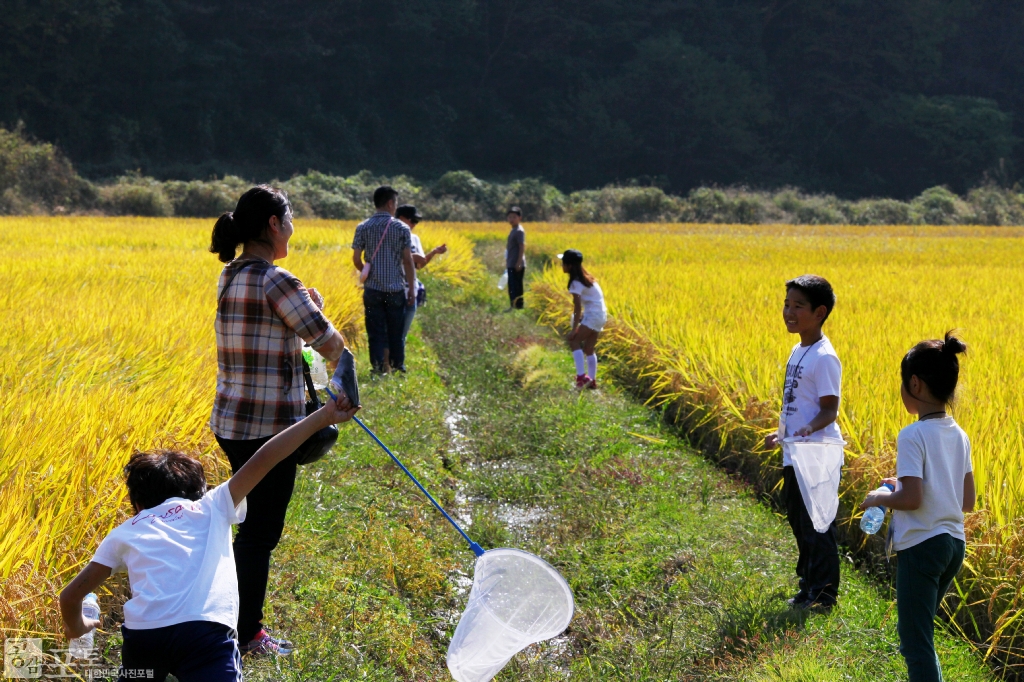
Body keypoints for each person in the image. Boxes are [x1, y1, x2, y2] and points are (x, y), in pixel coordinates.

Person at [58, 397, 358, 682]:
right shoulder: (211, 505)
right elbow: (266, 457)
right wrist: (322, 416)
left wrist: (77, 627)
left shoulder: (126, 529)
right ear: (200, 490)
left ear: (137, 505)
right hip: (204, 633)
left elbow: (70, 597)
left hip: (144, 636)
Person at [208, 185, 352, 656]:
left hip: (231, 422)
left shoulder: (230, 276)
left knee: (247, 525)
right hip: (270, 429)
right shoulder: (276, 279)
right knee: (259, 534)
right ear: (273, 224)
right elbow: (329, 345)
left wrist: (306, 307)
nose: (292, 229)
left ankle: (229, 620)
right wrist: (316, 314)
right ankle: (247, 634)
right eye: (289, 220)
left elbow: (276, 332)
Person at [859, 332, 974, 682]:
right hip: (953, 545)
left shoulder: (912, 434)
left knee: (915, 642)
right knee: (922, 635)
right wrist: (904, 485)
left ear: (914, 383)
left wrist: (879, 497)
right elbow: (966, 501)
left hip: (922, 547)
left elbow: (912, 499)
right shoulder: (959, 434)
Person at [764, 275, 842, 610]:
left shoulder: (824, 357)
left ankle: (824, 596)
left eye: (798, 306)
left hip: (818, 453)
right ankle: (808, 586)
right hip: (796, 451)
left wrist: (808, 429)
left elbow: (829, 409)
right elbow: (794, 400)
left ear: (820, 312)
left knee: (817, 523)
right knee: (799, 521)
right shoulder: (799, 349)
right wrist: (782, 432)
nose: (789, 312)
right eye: (787, 304)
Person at [352, 186, 416, 373]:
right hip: (395, 289)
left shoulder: (363, 227)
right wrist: (411, 289)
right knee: (396, 331)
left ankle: (379, 368)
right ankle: (397, 366)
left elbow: (356, 259)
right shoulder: (402, 228)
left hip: (372, 289)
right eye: (395, 203)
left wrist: (367, 272)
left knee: (375, 331)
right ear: (390, 203)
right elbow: (408, 261)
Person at [395, 204, 447, 341]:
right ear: (401, 219)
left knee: (402, 335)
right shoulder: (390, 236)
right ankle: (389, 362)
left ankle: (397, 362)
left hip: (411, 291)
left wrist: (434, 252)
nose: (414, 224)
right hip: (394, 290)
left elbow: (420, 264)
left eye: (416, 222)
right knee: (392, 334)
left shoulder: (414, 238)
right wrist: (410, 257)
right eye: (413, 220)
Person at [559, 249, 607, 390]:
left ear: (570, 266)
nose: (561, 265)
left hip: (592, 316)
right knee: (589, 348)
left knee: (574, 341)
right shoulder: (588, 279)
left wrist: (574, 329)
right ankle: (591, 381)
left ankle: (581, 378)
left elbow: (577, 306)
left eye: (563, 263)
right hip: (601, 316)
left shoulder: (576, 283)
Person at [505, 207, 526, 310]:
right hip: (511, 262)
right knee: (512, 285)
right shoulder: (513, 230)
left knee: (516, 286)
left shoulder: (519, 231)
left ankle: (517, 306)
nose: (511, 219)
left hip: (516, 263)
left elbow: (522, 246)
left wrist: (518, 263)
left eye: (514, 217)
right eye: (509, 217)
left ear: (519, 218)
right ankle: (514, 306)